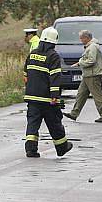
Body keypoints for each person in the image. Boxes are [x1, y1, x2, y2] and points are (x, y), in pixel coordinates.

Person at [24, 27, 73, 158]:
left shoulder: (32, 54)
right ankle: (62, 147)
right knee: (54, 122)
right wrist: (55, 97)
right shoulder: (53, 56)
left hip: (32, 97)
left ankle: (31, 149)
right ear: (53, 43)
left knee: (32, 123)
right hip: (46, 99)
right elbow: (55, 77)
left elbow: (25, 75)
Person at [64, 30, 102, 123]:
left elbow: (91, 60)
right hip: (87, 75)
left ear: (86, 38)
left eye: (81, 38)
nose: (81, 40)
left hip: (93, 75)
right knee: (81, 94)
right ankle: (74, 113)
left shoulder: (92, 47)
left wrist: (80, 63)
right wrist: (79, 62)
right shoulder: (90, 46)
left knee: (97, 95)